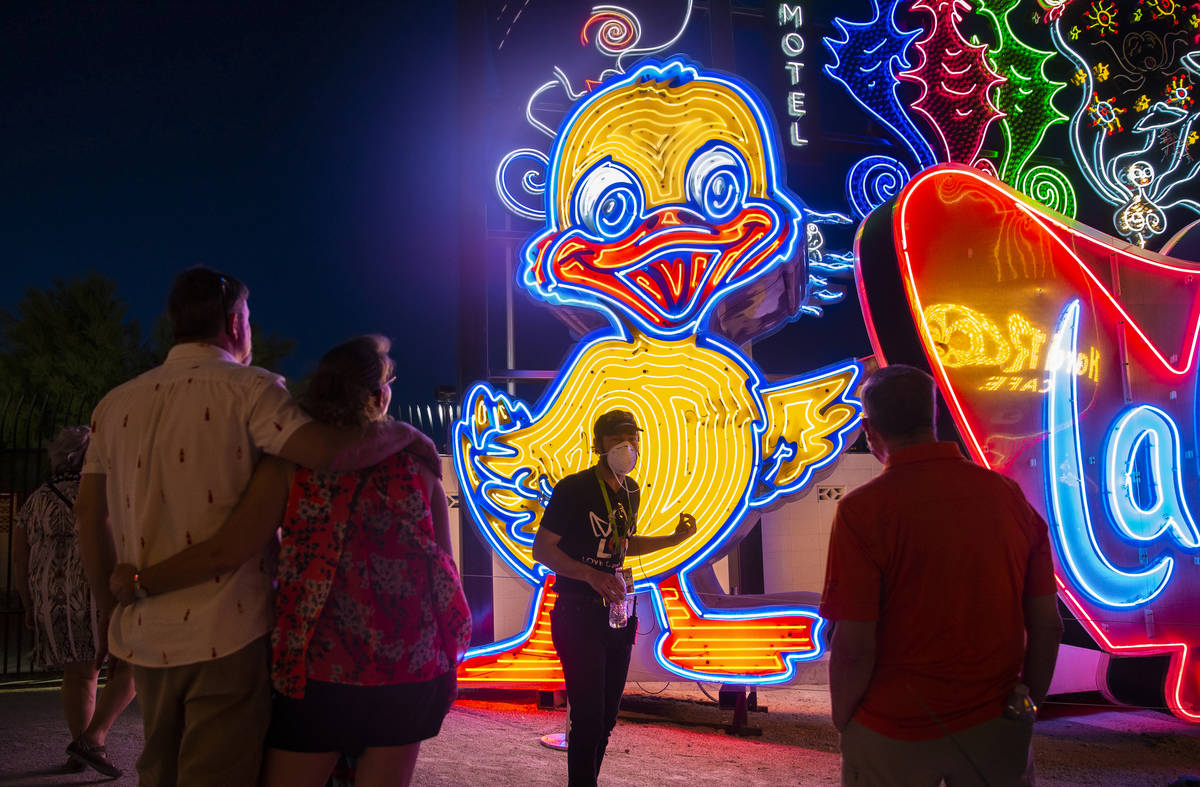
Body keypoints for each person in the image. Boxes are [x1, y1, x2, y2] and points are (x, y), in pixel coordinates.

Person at [76, 268, 437, 787]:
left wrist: (113, 605)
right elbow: (323, 452)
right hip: (229, 631)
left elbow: (90, 513)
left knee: (159, 769)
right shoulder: (253, 389)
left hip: (144, 632)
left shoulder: (115, 403)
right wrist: (401, 433)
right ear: (235, 322)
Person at [820, 364, 1064, 786]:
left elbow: (855, 642)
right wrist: (1029, 700)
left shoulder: (863, 511)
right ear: (933, 418)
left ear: (869, 430)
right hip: (994, 722)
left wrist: (845, 717)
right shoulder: (1007, 498)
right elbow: (1047, 623)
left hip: (890, 727)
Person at [531, 409, 698, 787]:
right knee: (587, 717)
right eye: (618, 438)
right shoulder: (574, 489)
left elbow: (621, 544)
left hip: (619, 615)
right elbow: (543, 549)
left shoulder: (631, 490)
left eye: (634, 437)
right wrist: (591, 574)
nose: (629, 445)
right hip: (578, 612)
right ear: (599, 444)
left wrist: (673, 540)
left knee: (605, 719)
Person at [13, 425, 136, 777]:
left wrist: (28, 602)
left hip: (51, 599)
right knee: (133, 664)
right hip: (96, 595)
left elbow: (20, 556)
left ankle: (81, 746)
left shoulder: (36, 499)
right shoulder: (103, 493)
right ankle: (92, 738)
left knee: (79, 673)